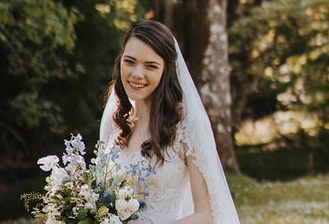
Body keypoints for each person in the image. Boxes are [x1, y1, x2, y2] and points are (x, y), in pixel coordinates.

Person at [99, 20, 240, 224]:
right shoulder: (116, 118)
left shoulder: (186, 125)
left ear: (166, 70)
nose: (137, 74)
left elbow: (207, 215)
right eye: (129, 61)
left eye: (150, 66)